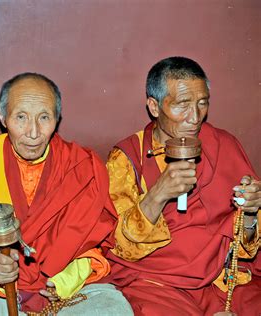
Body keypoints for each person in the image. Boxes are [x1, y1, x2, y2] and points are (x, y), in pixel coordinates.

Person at [0, 73, 132, 315]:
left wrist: (69, 277)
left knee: (113, 310)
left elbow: (96, 242)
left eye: (44, 118)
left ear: (57, 119)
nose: (33, 133)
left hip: (64, 286)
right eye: (21, 117)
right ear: (2, 117)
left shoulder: (81, 166)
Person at [102, 56, 260, 315]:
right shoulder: (128, 158)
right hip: (156, 282)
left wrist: (252, 213)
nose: (195, 117)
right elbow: (120, 247)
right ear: (154, 106)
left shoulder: (224, 145)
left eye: (202, 104)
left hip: (222, 278)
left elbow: (246, 247)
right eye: (182, 105)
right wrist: (158, 193)